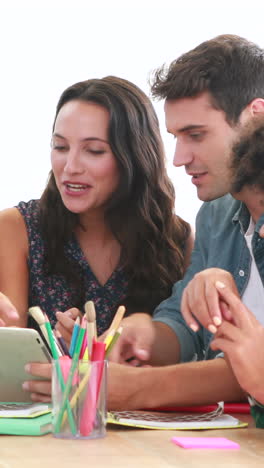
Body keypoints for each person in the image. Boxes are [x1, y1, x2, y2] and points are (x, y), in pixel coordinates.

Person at [0, 76, 192, 400]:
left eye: (93, 150)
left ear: (134, 157)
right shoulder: (16, 228)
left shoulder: (176, 238)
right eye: (60, 147)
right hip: (44, 432)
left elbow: (183, 357)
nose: (70, 167)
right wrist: (60, 356)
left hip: (142, 434)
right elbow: (9, 356)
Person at [104, 34, 264, 414]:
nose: (178, 159)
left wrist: (142, 389)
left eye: (196, 135)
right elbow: (186, 323)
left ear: (256, 114)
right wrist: (146, 335)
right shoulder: (217, 213)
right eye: (176, 137)